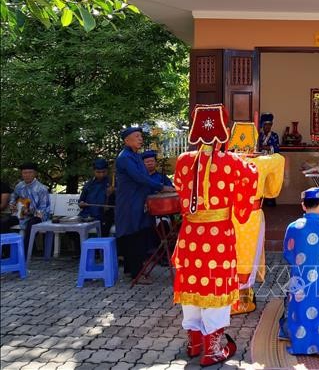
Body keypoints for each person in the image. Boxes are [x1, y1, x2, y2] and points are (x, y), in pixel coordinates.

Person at [172, 103, 259, 366]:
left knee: (193, 285)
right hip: (218, 235)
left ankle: (194, 343)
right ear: (223, 130)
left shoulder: (183, 161)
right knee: (215, 286)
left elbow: (179, 188)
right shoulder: (233, 162)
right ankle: (211, 350)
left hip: (190, 234)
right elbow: (251, 178)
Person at [278, 187, 319, 355]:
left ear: (303, 206)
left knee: (294, 291)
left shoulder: (292, 227)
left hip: (299, 278)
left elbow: (288, 253)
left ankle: (295, 333)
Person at [115, 127, 174, 283]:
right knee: (134, 235)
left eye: (141, 136)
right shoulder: (125, 158)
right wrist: (161, 187)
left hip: (138, 200)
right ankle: (136, 273)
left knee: (138, 233)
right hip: (130, 202)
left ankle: (131, 269)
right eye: (137, 136)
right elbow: (140, 178)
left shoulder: (135, 156)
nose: (140, 139)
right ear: (127, 140)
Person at [9, 162, 50, 253]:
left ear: (35, 173)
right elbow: (13, 196)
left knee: (31, 224)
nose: (27, 175)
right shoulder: (19, 186)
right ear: (22, 174)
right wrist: (12, 205)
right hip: (21, 215)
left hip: (37, 216)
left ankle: (24, 253)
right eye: (24, 173)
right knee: (4, 222)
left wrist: (30, 212)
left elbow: (44, 210)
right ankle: (6, 251)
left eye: (30, 172)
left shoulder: (41, 189)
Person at [78, 158, 115, 236]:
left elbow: (119, 200)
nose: (101, 174)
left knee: (104, 227)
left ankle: (100, 247)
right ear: (93, 171)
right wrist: (81, 203)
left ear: (107, 171)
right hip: (88, 215)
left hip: (104, 216)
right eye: (98, 172)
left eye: (103, 172)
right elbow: (81, 201)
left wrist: (114, 192)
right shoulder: (89, 184)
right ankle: (81, 247)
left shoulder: (112, 182)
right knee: (73, 231)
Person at [259, 113, 280, 207]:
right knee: (261, 180)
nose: (268, 127)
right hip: (260, 161)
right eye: (266, 125)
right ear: (262, 125)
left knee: (270, 180)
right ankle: (260, 199)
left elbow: (276, 148)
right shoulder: (259, 135)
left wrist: (264, 147)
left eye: (269, 124)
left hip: (271, 161)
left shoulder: (274, 135)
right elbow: (257, 148)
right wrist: (265, 147)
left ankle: (270, 200)